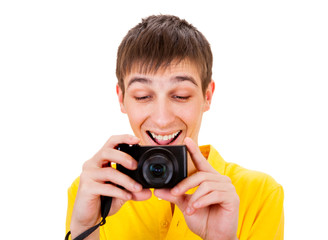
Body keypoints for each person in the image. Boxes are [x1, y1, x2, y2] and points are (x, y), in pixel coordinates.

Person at [65, 15, 284, 240]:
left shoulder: (261, 194)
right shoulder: (95, 190)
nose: (162, 119)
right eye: (142, 96)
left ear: (207, 96)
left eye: (181, 96)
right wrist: (85, 227)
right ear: (121, 99)